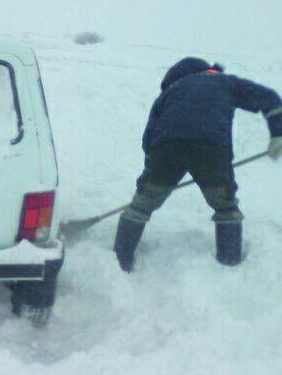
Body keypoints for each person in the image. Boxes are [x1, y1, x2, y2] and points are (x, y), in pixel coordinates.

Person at [114, 57, 282, 270]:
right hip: (211, 147)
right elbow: (269, 98)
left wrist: (153, 175)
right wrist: (278, 133)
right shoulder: (226, 82)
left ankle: (120, 261)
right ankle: (229, 263)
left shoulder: (170, 92)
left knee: (140, 206)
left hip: (167, 145)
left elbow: (149, 135)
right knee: (225, 207)